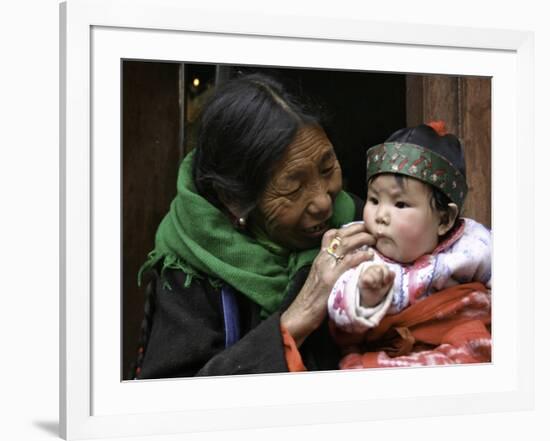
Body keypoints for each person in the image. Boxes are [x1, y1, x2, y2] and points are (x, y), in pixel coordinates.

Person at [130, 73, 376, 379]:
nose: (323, 202)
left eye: (327, 169)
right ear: (235, 200)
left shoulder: (362, 222)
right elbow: (169, 406)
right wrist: (297, 318)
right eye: (294, 187)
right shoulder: (190, 273)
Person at [327, 122, 492, 368]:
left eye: (400, 204)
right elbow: (338, 310)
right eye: (374, 200)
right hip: (386, 355)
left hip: (456, 345)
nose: (380, 215)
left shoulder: (472, 244)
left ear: (444, 219)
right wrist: (366, 294)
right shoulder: (360, 249)